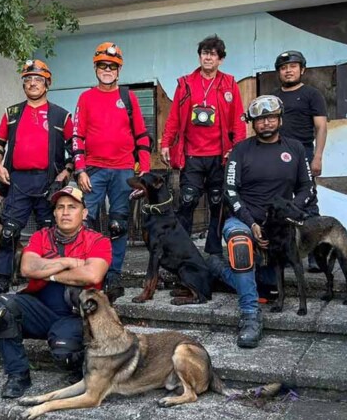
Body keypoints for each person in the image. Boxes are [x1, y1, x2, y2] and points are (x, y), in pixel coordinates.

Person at [207, 95, 314, 348]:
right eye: (260, 119)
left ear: (279, 119)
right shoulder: (240, 151)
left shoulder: (296, 149)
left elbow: (308, 187)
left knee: (265, 283)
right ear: (252, 123)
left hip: (280, 224)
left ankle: (218, 268)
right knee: (240, 244)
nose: (266, 123)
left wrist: (290, 211)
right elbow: (229, 191)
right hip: (244, 220)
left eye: (271, 117)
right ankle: (250, 315)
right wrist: (251, 223)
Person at [0, 186, 111, 398]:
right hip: (40, 310)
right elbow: (27, 268)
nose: (65, 212)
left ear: (84, 213)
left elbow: (92, 275)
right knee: (1, 308)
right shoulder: (40, 236)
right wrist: (68, 262)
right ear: (54, 213)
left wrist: (48, 272)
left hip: (77, 315)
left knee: (65, 354)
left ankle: (80, 365)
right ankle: (18, 375)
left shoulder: (98, 241)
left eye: (72, 207)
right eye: (60, 207)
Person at [0, 60, 75, 297]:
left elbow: (75, 148)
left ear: (47, 84)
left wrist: (65, 172)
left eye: (38, 79)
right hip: (17, 182)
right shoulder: (12, 113)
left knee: (50, 234)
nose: (33, 83)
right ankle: (2, 280)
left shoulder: (61, 116)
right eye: (28, 79)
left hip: (48, 183)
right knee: (8, 233)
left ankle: (50, 279)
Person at [72, 42, 151, 301]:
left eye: (112, 66)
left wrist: (145, 172)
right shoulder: (85, 98)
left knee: (118, 224)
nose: (107, 70)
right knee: (84, 222)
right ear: (96, 68)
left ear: (119, 70)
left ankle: (114, 274)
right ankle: (89, 271)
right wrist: (80, 169)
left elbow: (141, 135)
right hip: (93, 169)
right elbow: (77, 137)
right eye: (103, 66)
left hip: (123, 170)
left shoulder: (129, 98)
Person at [160, 34, 246, 255]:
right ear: (200, 57)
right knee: (187, 201)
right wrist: (166, 143)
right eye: (205, 53)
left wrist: (238, 149)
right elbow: (174, 118)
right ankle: (183, 252)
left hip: (220, 155)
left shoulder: (229, 84)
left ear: (221, 59)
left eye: (213, 54)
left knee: (218, 203)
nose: (208, 58)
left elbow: (238, 119)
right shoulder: (186, 83)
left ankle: (214, 252)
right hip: (192, 155)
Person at [272, 50, 327, 272]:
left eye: (293, 66)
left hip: (303, 153)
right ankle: (285, 253)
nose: (288, 70)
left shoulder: (312, 95)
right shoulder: (274, 97)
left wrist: (318, 156)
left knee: (308, 203)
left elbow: (321, 127)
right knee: (281, 204)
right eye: (284, 67)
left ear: (302, 70)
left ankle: (315, 255)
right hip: (277, 154)